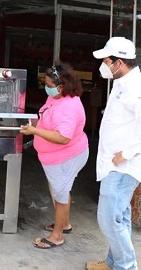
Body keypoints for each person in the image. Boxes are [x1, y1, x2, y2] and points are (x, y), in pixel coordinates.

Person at [86, 37, 141, 270]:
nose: (104, 65)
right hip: (115, 164)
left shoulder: (137, 85)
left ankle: (126, 266)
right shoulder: (122, 82)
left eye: (107, 61)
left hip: (123, 166)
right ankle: (113, 262)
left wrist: (126, 153)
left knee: (108, 219)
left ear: (119, 62)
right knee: (120, 217)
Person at [20, 61, 89, 249]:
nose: (46, 88)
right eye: (46, 83)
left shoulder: (68, 107)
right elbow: (48, 117)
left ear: (61, 87)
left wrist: (34, 131)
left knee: (60, 194)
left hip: (65, 157)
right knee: (58, 190)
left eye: (49, 85)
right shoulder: (57, 97)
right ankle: (64, 224)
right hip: (55, 157)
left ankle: (57, 235)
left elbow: (62, 137)